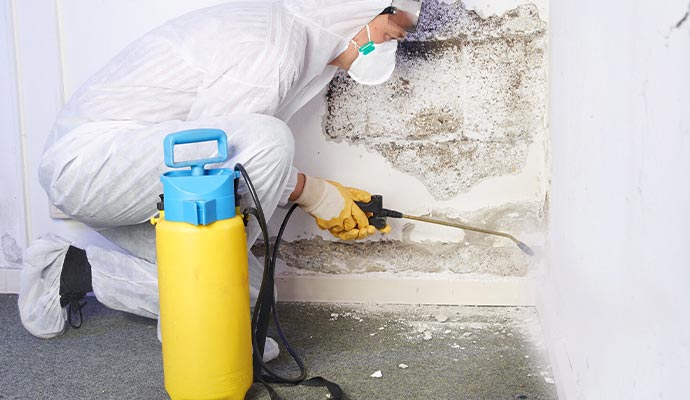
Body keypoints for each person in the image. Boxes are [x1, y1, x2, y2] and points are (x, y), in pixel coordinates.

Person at [18, 0, 417, 360]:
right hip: (94, 166)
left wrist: (319, 194)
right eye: (388, 35)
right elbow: (211, 158)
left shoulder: (289, 35)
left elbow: (212, 159)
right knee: (269, 140)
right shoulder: (273, 49)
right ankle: (198, 338)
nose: (387, 49)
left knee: (250, 296)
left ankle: (71, 270)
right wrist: (313, 194)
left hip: (134, 170)